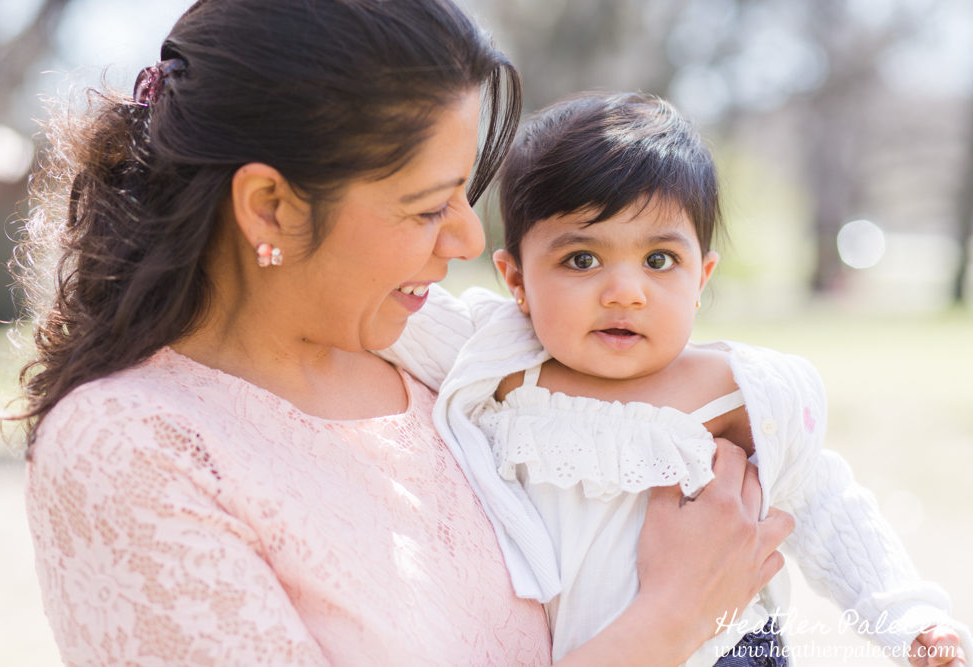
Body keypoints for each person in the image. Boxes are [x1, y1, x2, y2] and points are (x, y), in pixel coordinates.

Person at [12, 1, 794, 665]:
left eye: (465, 196)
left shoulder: (446, 367)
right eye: (427, 206)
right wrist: (668, 621)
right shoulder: (133, 451)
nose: (462, 241)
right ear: (272, 207)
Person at [385, 92, 972, 666]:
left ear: (701, 276)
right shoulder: (499, 360)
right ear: (516, 281)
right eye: (581, 259)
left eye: (659, 260)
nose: (625, 292)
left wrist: (909, 618)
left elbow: (826, 505)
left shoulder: (738, 393)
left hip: (722, 651)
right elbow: (377, 302)